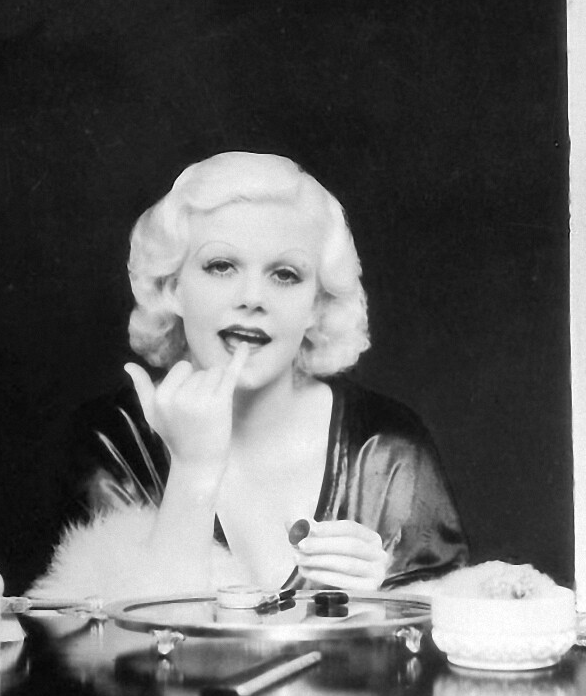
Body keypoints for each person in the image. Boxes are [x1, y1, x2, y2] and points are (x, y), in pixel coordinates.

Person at [30, 152, 468, 602]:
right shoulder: (110, 440)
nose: (253, 297)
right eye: (221, 266)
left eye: (285, 274)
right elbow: (121, 639)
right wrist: (192, 472)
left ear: (316, 304)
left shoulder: (386, 448)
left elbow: (445, 628)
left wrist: (377, 607)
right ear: (172, 287)